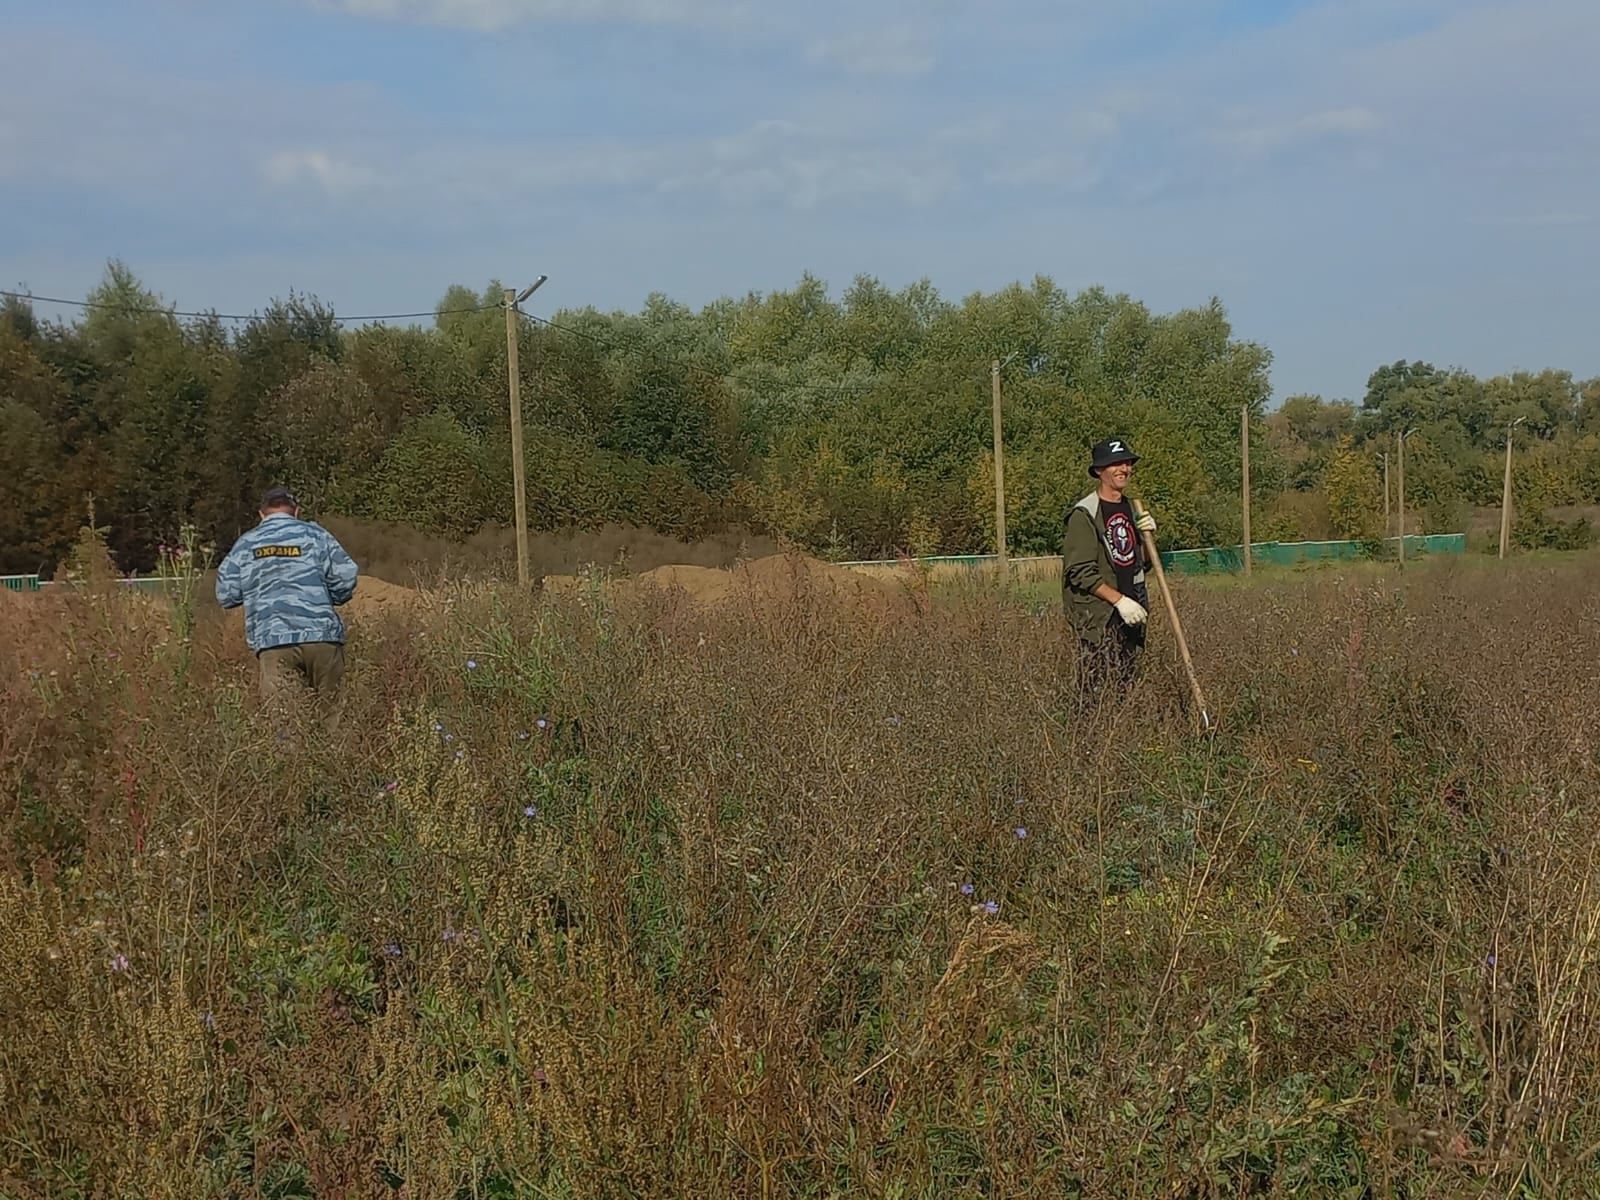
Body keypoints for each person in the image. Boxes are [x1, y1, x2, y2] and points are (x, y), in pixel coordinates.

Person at [216, 486, 359, 717]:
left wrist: (257, 592)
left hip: (274, 641)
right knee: (334, 721)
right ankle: (333, 753)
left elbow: (226, 594)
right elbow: (346, 577)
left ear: (262, 514)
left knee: (286, 726)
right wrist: (329, 598)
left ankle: (293, 754)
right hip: (322, 637)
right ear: (296, 511)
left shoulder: (246, 543)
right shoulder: (317, 535)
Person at [1061, 438, 1158, 692]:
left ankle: (1125, 731)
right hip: (1100, 615)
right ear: (1098, 471)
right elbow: (1080, 572)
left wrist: (1149, 537)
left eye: (1126, 463)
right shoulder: (1084, 515)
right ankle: (1086, 731)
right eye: (1115, 464)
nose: (1123, 469)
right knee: (1094, 688)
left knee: (1126, 684)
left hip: (1132, 610)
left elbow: (1143, 563)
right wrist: (1119, 601)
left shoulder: (1132, 508)